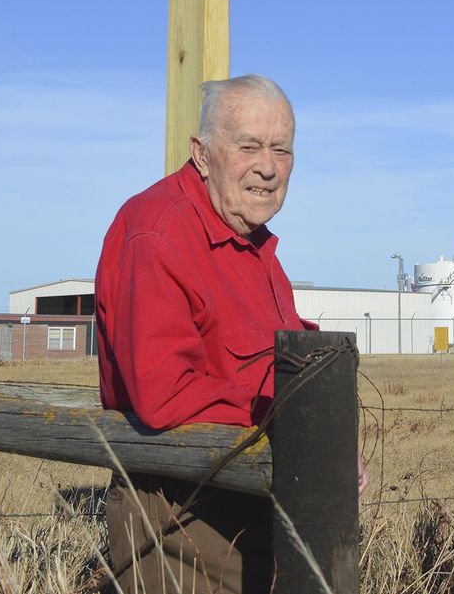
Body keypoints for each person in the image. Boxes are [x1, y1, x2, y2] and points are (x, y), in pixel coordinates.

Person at [96, 74, 332, 593]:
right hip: (182, 520)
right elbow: (163, 392)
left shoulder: (253, 243)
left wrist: (325, 433)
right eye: (248, 146)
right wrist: (292, 423)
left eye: (281, 149)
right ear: (202, 154)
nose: (268, 167)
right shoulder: (158, 232)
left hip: (253, 503)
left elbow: (281, 367)